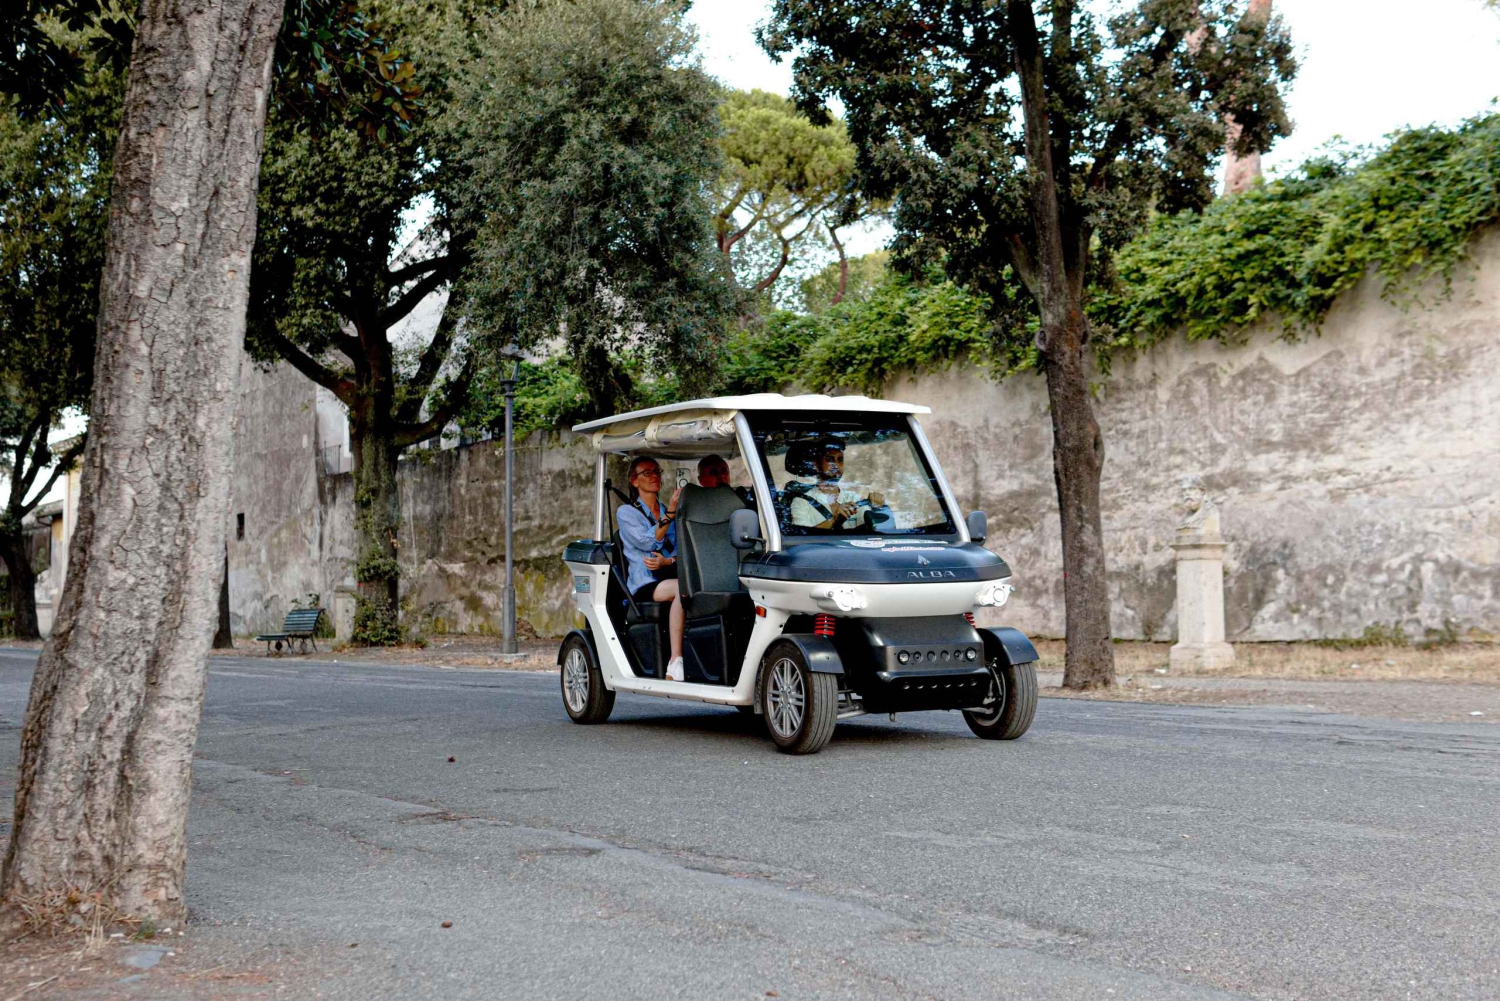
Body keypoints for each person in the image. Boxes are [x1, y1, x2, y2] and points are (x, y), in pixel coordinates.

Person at [617, 456, 686, 681]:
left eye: (657, 471)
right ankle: (675, 661)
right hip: (644, 582)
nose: (654, 476)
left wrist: (669, 561)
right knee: (682, 588)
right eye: (647, 473)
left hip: (669, 574)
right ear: (634, 481)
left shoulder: (666, 510)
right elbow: (647, 542)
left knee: (691, 585)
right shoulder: (626, 512)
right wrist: (671, 512)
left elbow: (681, 550)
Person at [787, 440, 894, 531]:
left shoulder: (854, 498)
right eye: (830, 459)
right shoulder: (802, 502)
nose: (836, 465)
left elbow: (874, 531)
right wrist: (834, 519)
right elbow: (801, 539)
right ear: (816, 464)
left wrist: (878, 509)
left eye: (840, 460)